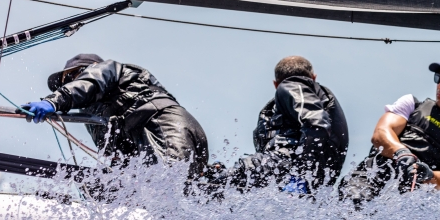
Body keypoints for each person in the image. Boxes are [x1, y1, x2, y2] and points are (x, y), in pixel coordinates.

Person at [24, 54, 209, 177]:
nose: (70, 81)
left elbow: (89, 83)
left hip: (164, 125)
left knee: (169, 188)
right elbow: (116, 154)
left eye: (73, 75)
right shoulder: (96, 115)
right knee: (171, 197)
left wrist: (53, 101)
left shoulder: (107, 70)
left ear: (91, 67)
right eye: (66, 81)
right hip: (154, 134)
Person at [339, 54, 440, 205]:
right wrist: (401, 154)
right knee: (354, 205)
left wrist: (428, 176)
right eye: (438, 78)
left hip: (406, 204)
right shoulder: (411, 104)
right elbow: (381, 133)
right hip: (365, 182)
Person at [229, 56, 349, 193]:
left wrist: (302, 173)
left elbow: (317, 124)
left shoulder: (292, 86)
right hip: (309, 182)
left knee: (216, 182)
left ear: (276, 84)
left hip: (286, 167)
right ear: (313, 77)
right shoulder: (320, 99)